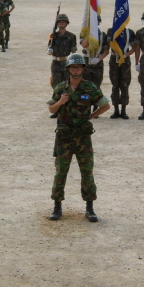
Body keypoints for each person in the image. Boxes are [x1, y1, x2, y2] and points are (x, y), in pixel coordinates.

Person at [46, 53, 110, 222]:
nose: (76, 70)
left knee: (87, 172)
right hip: (64, 138)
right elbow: (51, 109)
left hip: (82, 137)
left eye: (79, 67)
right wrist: (60, 102)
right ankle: (57, 206)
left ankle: (89, 208)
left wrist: (91, 116)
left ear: (83, 69)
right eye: (73, 67)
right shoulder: (61, 88)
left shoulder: (90, 87)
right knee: (61, 172)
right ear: (68, 69)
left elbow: (105, 105)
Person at [104, 24, 133, 119]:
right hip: (114, 60)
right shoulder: (111, 30)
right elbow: (108, 43)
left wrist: (126, 54)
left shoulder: (129, 32)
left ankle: (123, 110)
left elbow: (135, 46)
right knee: (115, 85)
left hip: (125, 60)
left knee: (124, 85)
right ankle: (116, 109)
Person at [48, 13, 77, 95]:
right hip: (56, 63)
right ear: (57, 23)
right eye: (60, 22)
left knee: (67, 85)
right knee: (56, 86)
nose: (61, 24)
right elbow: (49, 48)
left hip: (66, 63)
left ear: (67, 23)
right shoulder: (53, 36)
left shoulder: (71, 36)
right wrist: (49, 50)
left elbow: (73, 52)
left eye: (63, 22)